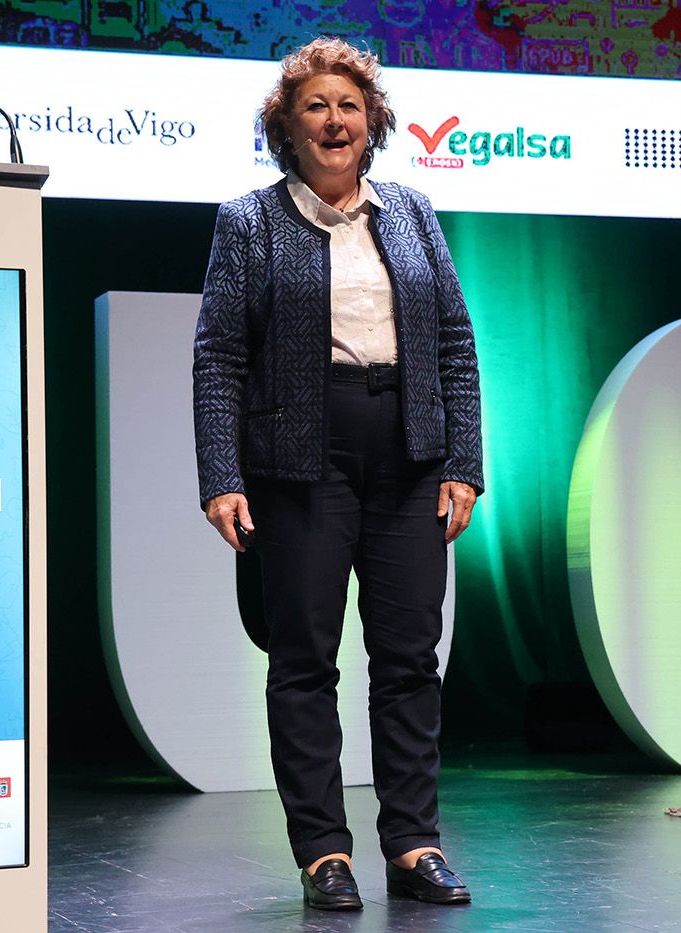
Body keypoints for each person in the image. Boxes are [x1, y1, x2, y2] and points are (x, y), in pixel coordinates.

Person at [193, 37, 483, 911]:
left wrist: (464, 461)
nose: (335, 119)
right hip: (299, 461)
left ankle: (414, 843)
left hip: (408, 454)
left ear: (373, 122)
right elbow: (217, 357)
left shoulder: (412, 210)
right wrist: (221, 473)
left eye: (349, 105)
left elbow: (456, 347)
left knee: (407, 660)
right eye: (316, 105)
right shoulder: (249, 220)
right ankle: (324, 850)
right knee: (304, 661)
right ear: (287, 123)